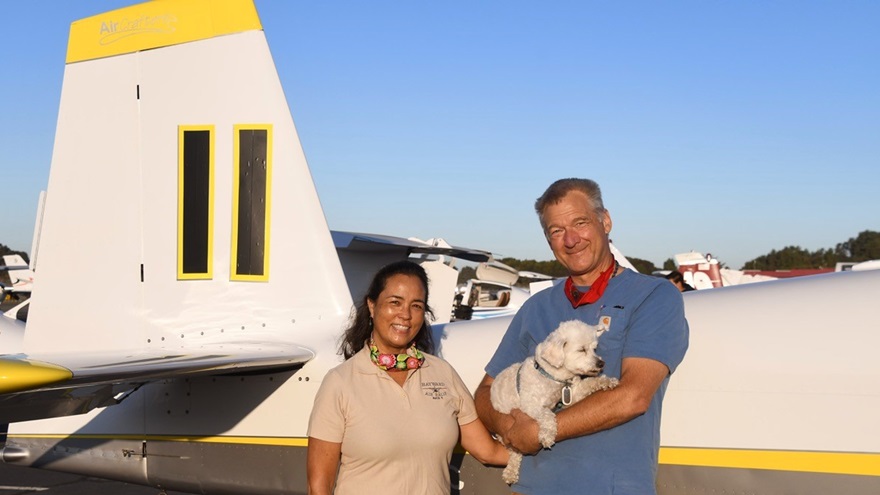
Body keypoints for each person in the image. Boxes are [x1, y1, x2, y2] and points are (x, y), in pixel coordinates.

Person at [474, 178, 689, 495]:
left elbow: (633, 396)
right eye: (556, 231)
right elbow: (485, 392)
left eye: (580, 223)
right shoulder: (536, 307)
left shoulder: (654, 296)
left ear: (605, 221)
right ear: (548, 240)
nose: (570, 239)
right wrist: (508, 427)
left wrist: (541, 430)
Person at [307, 260, 507, 495]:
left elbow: (489, 452)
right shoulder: (340, 383)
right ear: (372, 306)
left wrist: (553, 449)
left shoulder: (442, 374)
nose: (405, 315)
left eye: (416, 306)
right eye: (395, 302)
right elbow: (318, 486)